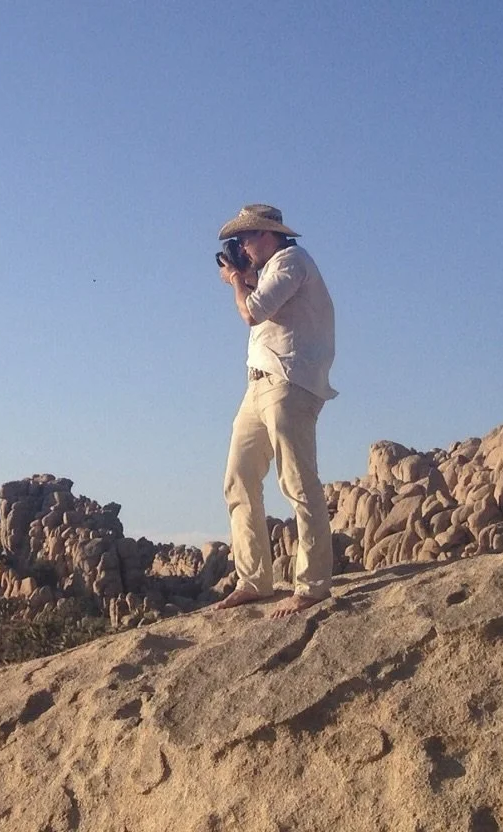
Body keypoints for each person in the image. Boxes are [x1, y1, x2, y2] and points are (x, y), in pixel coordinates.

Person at [215, 204, 337, 618]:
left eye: (248, 237)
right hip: (259, 384)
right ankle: (253, 580)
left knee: (298, 481)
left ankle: (313, 585)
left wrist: (235, 280)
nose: (244, 246)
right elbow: (261, 297)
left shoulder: (292, 260)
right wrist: (246, 276)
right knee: (239, 477)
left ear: (269, 234)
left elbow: (252, 312)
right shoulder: (271, 269)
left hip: (290, 382)